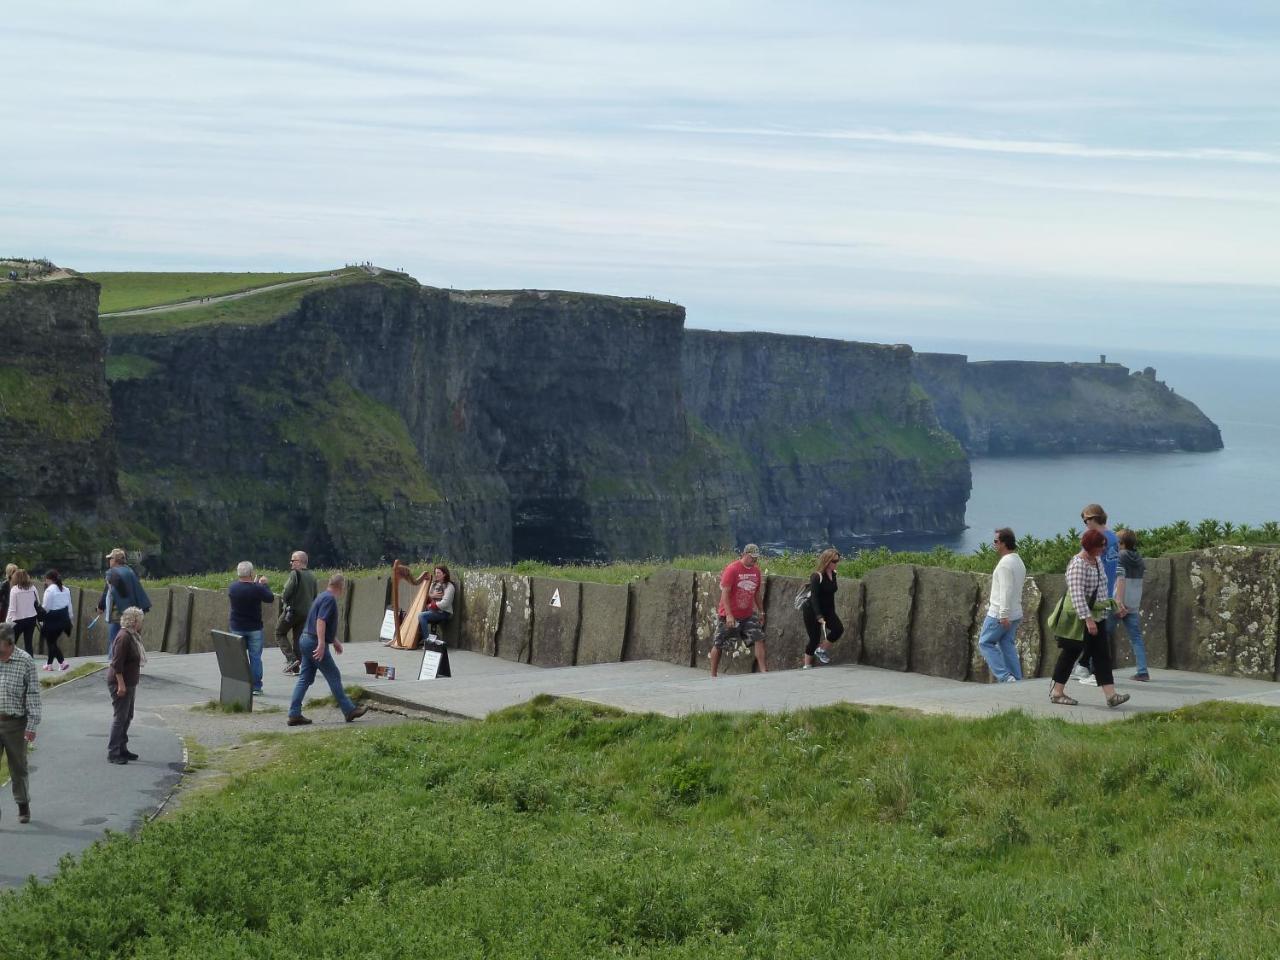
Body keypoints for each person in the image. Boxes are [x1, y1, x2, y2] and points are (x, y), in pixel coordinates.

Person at [1048, 530, 1130, 709]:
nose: (1104, 549)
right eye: (1101, 546)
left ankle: (1111, 695)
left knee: (1102, 655)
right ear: (1091, 547)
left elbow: (1100, 588)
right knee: (1070, 654)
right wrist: (1088, 620)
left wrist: (1114, 603)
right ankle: (1056, 692)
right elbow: (1077, 594)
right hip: (1080, 619)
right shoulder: (1078, 564)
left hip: (1097, 615)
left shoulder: (1096, 560)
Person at [287, 573, 368, 726]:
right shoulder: (329, 599)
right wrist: (321, 643)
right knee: (333, 674)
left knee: (305, 678)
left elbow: (321, 621)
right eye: (343, 587)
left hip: (304, 639)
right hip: (313, 641)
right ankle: (349, 710)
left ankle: (294, 714)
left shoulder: (322, 596)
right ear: (341, 586)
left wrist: (334, 640)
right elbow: (321, 621)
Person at [1072, 505, 1119, 685]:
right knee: (1097, 633)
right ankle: (1086, 668)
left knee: (1094, 632)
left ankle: (1085, 668)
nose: (1085, 524)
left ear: (1094, 518)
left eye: (1086, 520)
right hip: (1105, 589)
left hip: (1096, 590)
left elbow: (1090, 559)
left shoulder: (1099, 539)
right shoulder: (1113, 537)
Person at [0, 621, 41, 823]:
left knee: (18, 768)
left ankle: (23, 806)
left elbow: (33, 694)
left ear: (9, 643)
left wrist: (32, 725)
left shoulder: (25, 661)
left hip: (16, 723)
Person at [977, 528, 1027, 683]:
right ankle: (1016, 678)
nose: (994, 544)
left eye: (996, 541)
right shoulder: (1018, 560)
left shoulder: (1005, 564)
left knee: (985, 643)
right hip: (1016, 612)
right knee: (1007, 643)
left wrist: (1003, 614)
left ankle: (1005, 678)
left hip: (999, 613)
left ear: (1004, 543)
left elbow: (1006, 590)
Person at [710, 544, 767, 678]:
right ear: (745, 554)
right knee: (719, 643)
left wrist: (761, 611)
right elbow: (725, 593)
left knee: (759, 638)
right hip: (730, 615)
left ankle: (764, 671)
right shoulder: (732, 569)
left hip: (747, 614)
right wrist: (729, 615)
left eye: (756, 558)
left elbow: (757, 592)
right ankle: (713, 674)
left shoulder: (756, 571)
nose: (754, 560)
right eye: (752, 557)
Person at [229, 561, 275, 695]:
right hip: (254, 627)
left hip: (237, 626)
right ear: (251, 573)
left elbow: (247, 589)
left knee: (239, 657)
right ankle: (256, 687)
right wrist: (264, 584)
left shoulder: (233, 588)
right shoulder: (257, 588)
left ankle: (239, 685)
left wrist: (256, 584)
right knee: (255, 657)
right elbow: (270, 598)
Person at [107, 606, 145, 764]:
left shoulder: (132, 635)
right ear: (135, 621)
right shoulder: (124, 637)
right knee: (120, 717)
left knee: (128, 716)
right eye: (141, 620)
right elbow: (117, 664)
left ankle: (122, 748)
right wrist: (121, 685)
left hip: (130, 682)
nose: (142, 623)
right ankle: (114, 752)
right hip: (121, 682)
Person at [96, 548, 151, 657]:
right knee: (130, 641)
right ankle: (129, 665)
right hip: (133, 613)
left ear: (115, 560)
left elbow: (107, 592)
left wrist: (100, 606)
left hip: (118, 614)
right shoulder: (130, 571)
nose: (109, 561)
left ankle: (114, 667)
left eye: (110, 558)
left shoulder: (112, 573)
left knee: (115, 641)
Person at [1114, 529, 1150, 681]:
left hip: (1119, 600)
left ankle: (1090, 668)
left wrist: (1117, 600)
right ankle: (1143, 671)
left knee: (1101, 635)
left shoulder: (1120, 556)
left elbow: (1118, 577)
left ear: (1121, 543)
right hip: (1134, 602)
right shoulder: (1139, 558)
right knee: (1136, 638)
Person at [275, 550, 317, 675]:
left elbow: (287, 591)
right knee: (297, 639)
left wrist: (284, 600)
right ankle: (296, 667)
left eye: (293, 560)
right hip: (306, 613)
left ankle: (291, 659)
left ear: (300, 562)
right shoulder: (312, 575)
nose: (291, 563)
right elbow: (315, 596)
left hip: (292, 611)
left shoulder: (295, 574)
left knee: (279, 632)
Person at [801, 549, 843, 668]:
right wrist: (818, 616)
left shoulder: (834, 574)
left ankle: (821, 649)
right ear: (827, 561)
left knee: (838, 629)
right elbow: (814, 598)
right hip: (812, 610)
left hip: (828, 610)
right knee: (814, 639)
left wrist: (831, 613)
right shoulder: (816, 576)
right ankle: (807, 665)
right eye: (834, 561)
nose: (836, 563)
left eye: (837, 560)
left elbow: (830, 595)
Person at [40, 569, 73, 672]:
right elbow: (69, 605)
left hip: (52, 619)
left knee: (51, 642)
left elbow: (46, 607)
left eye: (46, 580)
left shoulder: (49, 590)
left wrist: (41, 619)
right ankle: (49, 665)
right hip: (64, 619)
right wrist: (70, 618)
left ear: (49, 579)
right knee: (52, 641)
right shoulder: (65, 589)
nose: (45, 582)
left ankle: (62, 662)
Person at [413, 565, 456, 643]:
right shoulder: (434, 584)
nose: (436, 575)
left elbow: (445, 603)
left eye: (439, 573)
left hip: (443, 612)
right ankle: (418, 637)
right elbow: (427, 595)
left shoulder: (449, 586)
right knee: (413, 614)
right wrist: (433, 595)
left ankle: (427, 641)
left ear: (444, 574)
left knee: (421, 616)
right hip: (432, 611)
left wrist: (432, 605)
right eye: (436, 573)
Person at [4, 569, 40, 656]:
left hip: (18, 620)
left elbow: (12, 609)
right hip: (31, 619)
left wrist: (7, 623)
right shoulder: (33, 588)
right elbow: (38, 602)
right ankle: (30, 664)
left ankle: (9, 663)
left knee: (12, 643)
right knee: (28, 644)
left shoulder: (14, 590)